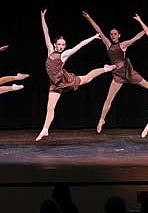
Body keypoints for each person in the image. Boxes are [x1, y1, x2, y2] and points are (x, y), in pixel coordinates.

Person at [82, 10, 148, 133]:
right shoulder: (107, 44)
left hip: (128, 71)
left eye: (115, 34)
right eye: (112, 34)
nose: (113, 36)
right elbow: (99, 30)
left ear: (119, 35)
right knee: (109, 98)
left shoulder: (123, 45)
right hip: (118, 75)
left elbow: (135, 38)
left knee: (147, 85)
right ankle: (101, 120)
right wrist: (89, 18)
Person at [36, 9, 116, 141]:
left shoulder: (64, 54)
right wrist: (42, 17)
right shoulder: (50, 50)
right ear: (55, 44)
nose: (61, 46)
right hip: (55, 84)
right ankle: (45, 129)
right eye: (59, 44)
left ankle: (105, 69)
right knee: (50, 107)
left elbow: (79, 45)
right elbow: (46, 32)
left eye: (63, 44)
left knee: (88, 78)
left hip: (65, 80)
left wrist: (93, 37)